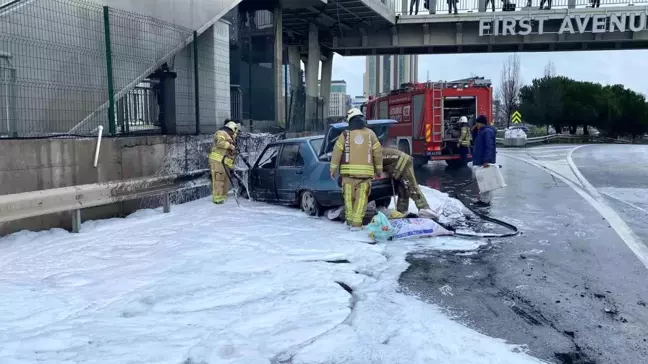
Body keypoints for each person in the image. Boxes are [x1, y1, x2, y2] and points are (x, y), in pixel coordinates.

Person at [330, 108, 383, 230]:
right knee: (361, 202)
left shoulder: (345, 134)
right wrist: (379, 171)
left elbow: (337, 152)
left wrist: (333, 169)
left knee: (348, 201)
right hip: (365, 177)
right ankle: (356, 225)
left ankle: (349, 223)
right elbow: (378, 153)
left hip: (348, 176)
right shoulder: (371, 134)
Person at [382, 147, 438, 219]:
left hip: (402, 162)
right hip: (402, 161)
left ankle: (424, 208)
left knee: (411, 187)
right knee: (403, 189)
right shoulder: (371, 153)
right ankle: (402, 212)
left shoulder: (369, 156)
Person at [208, 120, 238, 204]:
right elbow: (219, 143)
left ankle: (224, 195)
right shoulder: (221, 133)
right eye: (233, 132)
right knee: (219, 179)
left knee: (226, 180)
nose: (233, 134)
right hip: (217, 161)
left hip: (225, 162)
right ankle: (217, 198)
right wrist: (230, 146)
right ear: (230, 129)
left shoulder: (232, 136)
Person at [471, 114, 497, 206]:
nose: (476, 124)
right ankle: (483, 199)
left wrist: (486, 160)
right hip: (480, 160)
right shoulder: (481, 131)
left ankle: (486, 201)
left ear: (481, 123)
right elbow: (474, 139)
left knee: (486, 182)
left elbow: (489, 147)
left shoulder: (487, 132)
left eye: (477, 123)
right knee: (482, 181)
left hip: (485, 161)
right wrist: (474, 129)